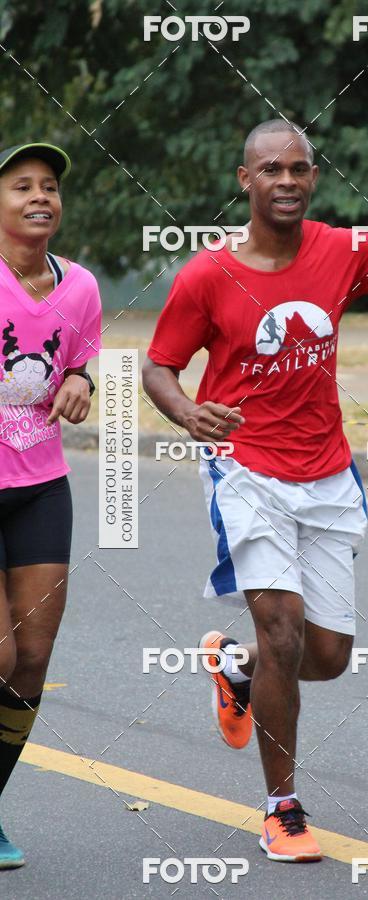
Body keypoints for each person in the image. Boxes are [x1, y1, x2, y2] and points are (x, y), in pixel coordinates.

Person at [142, 119, 368, 862]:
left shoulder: (344, 250)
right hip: (244, 468)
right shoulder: (208, 274)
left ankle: (236, 665)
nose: (286, 180)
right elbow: (158, 366)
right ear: (244, 180)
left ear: (313, 178)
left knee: (326, 656)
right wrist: (188, 410)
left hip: (325, 473)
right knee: (283, 629)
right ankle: (281, 807)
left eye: (298, 168)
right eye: (271, 169)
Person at [0, 143, 102, 868]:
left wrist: (85, 383)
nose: (42, 197)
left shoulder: (83, 287)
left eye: (52, 187)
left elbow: (79, 361)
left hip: (41, 486)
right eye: (22, 186)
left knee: (32, 658)